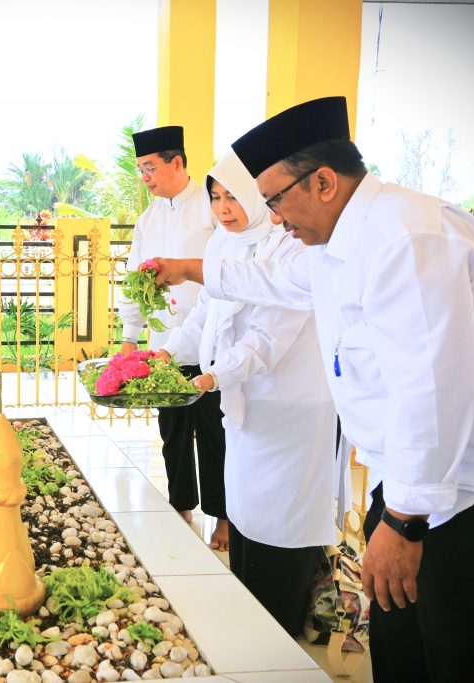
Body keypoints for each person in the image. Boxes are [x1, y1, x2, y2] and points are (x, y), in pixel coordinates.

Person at [154, 96, 474, 682]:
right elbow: (269, 278)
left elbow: (432, 389)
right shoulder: (335, 242)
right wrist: (190, 269)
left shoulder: (407, 235)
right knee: (402, 652)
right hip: (419, 483)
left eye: (274, 199)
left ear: (321, 181)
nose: (274, 217)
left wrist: (403, 521)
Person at [158, 150, 337, 634]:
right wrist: (168, 354)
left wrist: (215, 376)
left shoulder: (290, 248)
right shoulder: (220, 244)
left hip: (290, 411)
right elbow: (204, 315)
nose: (224, 208)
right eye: (215, 198)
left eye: (234, 196)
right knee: (248, 515)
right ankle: (253, 620)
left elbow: (267, 338)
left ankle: (285, 623)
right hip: (245, 408)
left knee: (285, 522)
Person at [120, 126, 227, 547]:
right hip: (164, 342)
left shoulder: (212, 207)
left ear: (177, 162)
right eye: (140, 170)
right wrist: (130, 335)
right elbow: (133, 278)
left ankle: (223, 518)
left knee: (215, 431)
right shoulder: (148, 219)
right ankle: (180, 505)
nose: (145, 177)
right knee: (173, 431)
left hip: (211, 339)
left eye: (150, 168)